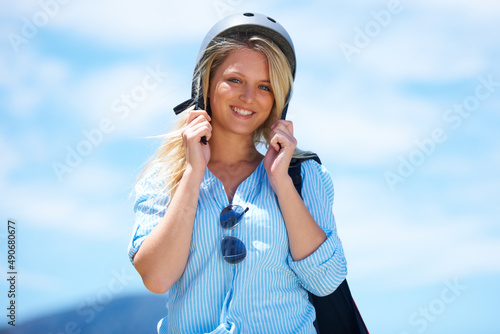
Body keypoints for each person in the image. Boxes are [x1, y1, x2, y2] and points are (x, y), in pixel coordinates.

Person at [128, 12, 347, 334]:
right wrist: (192, 173)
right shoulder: (166, 178)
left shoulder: (305, 175)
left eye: (264, 86)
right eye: (234, 80)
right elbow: (157, 278)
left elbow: (326, 280)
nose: (248, 97)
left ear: (279, 100)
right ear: (206, 83)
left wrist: (281, 183)